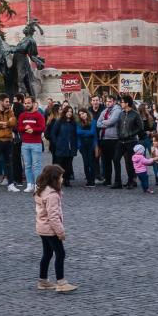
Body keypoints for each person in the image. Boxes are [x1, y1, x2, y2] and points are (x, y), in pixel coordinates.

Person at [34, 164, 77, 293]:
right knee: (60, 254)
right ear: (54, 178)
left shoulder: (41, 190)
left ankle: (43, 280)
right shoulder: (52, 195)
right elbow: (53, 216)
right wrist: (60, 232)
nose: (62, 179)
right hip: (50, 230)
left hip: (42, 228)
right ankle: (61, 282)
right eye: (61, 177)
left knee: (47, 254)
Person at [0, 95, 18, 192]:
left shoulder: (10, 111)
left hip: (8, 140)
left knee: (9, 162)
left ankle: (11, 184)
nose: (8, 103)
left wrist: (3, 123)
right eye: (6, 101)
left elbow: (13, 122)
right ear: (1, 102)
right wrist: (6, 123)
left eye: (8, 101)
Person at [18, 96, 46, 193]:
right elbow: (19, 128)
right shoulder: (22, 115)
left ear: (33, 103)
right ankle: (30, 184)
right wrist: (25, 128)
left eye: (28, 103)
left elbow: (42, 128)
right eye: (25, 103)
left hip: (36, 144)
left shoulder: (39, 115)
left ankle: (38, 185)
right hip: (25, 144)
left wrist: (33, 130)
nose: (26, 105)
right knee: (27, 165)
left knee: (36, 165)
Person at [97, 94, 123, 188]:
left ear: (114, 102)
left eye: (110, 101)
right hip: (104, 139)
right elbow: (97, 123)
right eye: (107, 101)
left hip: (113, 139)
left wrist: (104, 121)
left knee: (115, 161)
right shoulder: (104, 111)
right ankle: (107, 180)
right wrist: (105, 122)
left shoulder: (117, 110)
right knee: (106, 161)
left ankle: (117, 181)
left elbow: (112, 122)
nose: (108, 103)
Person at [76, 109, 98, 188]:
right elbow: (77, 132)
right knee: (86, 163)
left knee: (91, 163)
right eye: (80, 114)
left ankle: (92, 181)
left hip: (91, 145)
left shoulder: (93, 121)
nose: (82, 115)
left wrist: (83, 133)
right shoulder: (79, 123)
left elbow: (93, 132)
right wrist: (87, 133)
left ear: (86, 113)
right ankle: (88, 180)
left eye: (83, 113)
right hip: (83, 146)